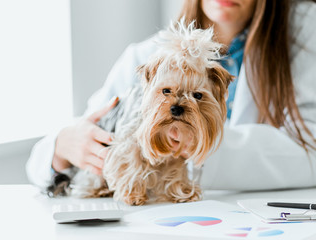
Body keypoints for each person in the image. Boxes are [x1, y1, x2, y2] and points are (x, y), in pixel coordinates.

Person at [26, 0, 316, 192]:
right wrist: (61, 147)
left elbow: (310, 148)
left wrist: (199, 145)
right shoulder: (145, 56)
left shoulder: (304, 34)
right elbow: (84, 130)